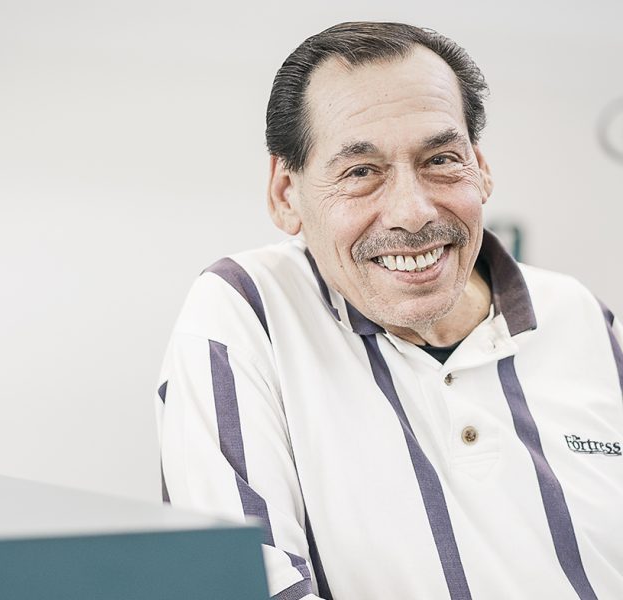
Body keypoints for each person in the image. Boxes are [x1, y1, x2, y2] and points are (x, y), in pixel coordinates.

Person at [154, 22, 623, 600]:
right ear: (285, 193)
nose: (413, 211)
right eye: (361, 171)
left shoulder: (580, 315)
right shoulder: (248, 311)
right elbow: (239, 586)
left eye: (440, 159)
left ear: (481, 168)